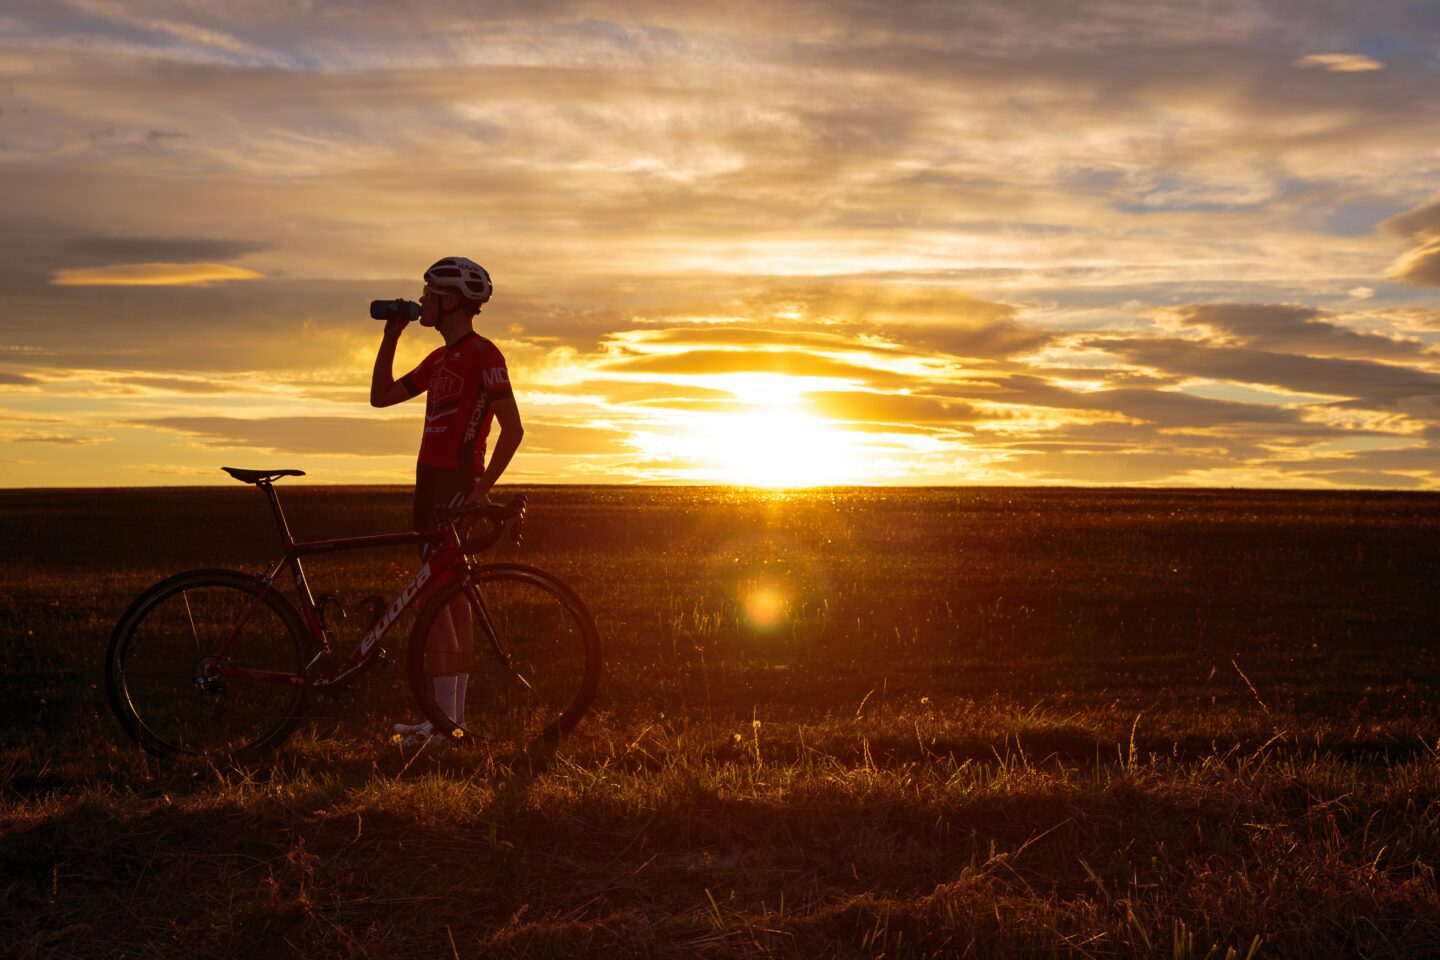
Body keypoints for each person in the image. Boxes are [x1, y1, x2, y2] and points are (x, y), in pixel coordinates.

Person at [369, 256, 524, 747]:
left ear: (451, 300)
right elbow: (381, 396)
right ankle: (450, 724)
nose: (420, 302)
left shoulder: (484, 354)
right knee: (452, 603)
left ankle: (444, 725)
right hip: (428, 481)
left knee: (438, 606)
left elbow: (513, 429)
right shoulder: (438, 360)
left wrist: (479, 492)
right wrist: (391, 336)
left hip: (456, 481)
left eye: (428, 293)